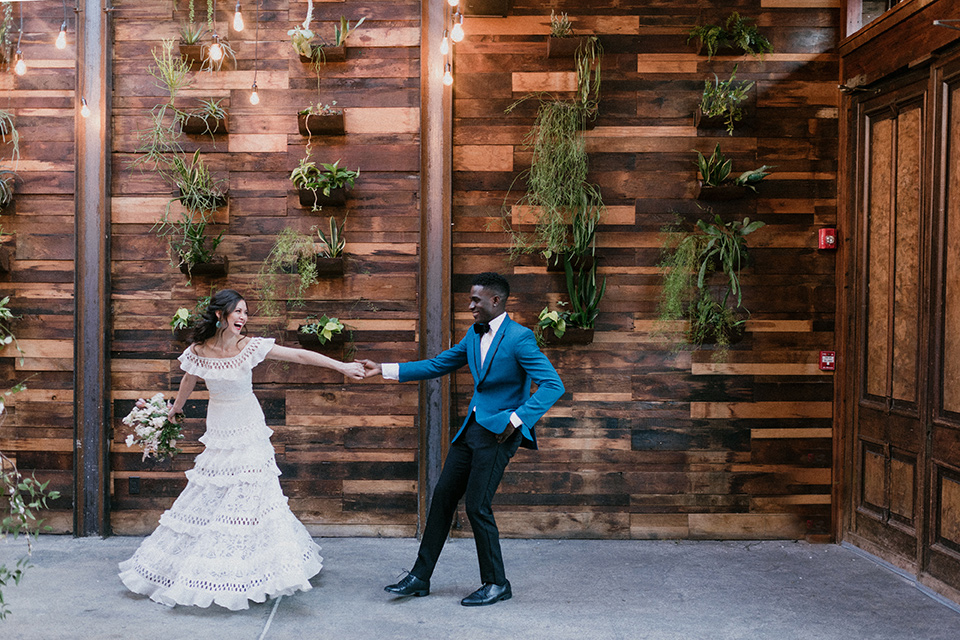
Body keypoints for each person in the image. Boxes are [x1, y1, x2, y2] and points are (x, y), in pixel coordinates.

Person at [118, 289, 365, 611]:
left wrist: (342, 367)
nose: (244, 317)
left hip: (248, 423)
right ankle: (213, 564)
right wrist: (175, 409)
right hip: (218, 426)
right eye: (238, 311)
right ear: (221, 315)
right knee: (213, 491)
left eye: (247, 312)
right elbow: (188, 380)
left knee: (252, 490)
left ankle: (257, 568)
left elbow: (300, 355)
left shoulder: (249, 346)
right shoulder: (197, 350)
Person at [362, 272, 564, 606]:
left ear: (495, 301)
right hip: (470, 430)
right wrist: (382, 368)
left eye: (475, 300)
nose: (470, 305)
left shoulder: (520, 338)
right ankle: (419, 577)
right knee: (442, 497)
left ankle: (497, 583)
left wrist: (516, 420)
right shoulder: (473, 335)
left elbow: (553, 385)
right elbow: (437, 364)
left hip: (499, 434)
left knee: (476, 506)